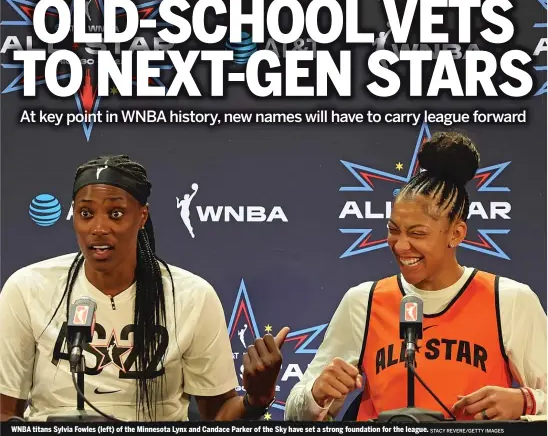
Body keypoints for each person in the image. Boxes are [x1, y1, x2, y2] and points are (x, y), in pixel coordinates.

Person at [0, 155, 288, 422]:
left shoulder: (192, 297)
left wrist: (257, 398)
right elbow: (4, 412)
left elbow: (217, 416)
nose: (98, 227)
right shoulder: (28, 288)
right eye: (86, 213)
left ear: (142, 216)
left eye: (115, 213)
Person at [285, 131, 547, 421]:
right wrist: (317, 396)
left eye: (417, 233)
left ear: (456, 234)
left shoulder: (508, 300)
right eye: (393, 230)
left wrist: (526, 402)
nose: (400, 245)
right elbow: (294, 414)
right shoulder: (364, 301)